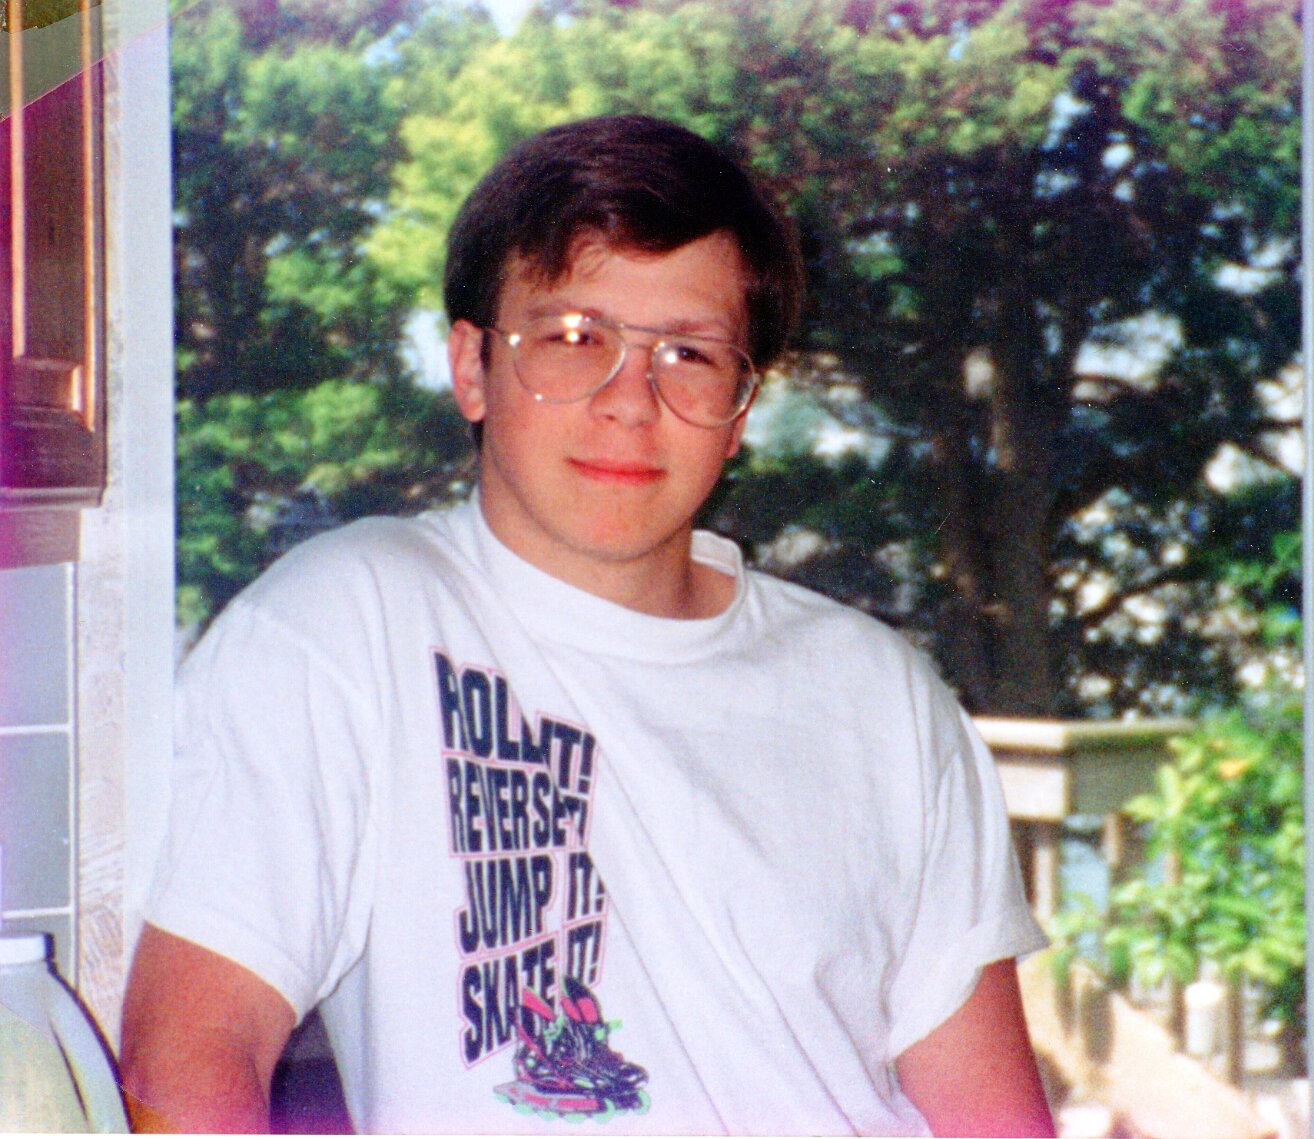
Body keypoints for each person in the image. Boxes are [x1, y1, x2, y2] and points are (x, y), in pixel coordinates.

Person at [120, 114, 1054, 1136]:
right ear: (471, 368)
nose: (630, 402)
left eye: (688, 353)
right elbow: (187, 1053)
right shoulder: (349, 623)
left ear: (739, 410)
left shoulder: (883, 694)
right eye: (574, 338)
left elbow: (993, 1117)